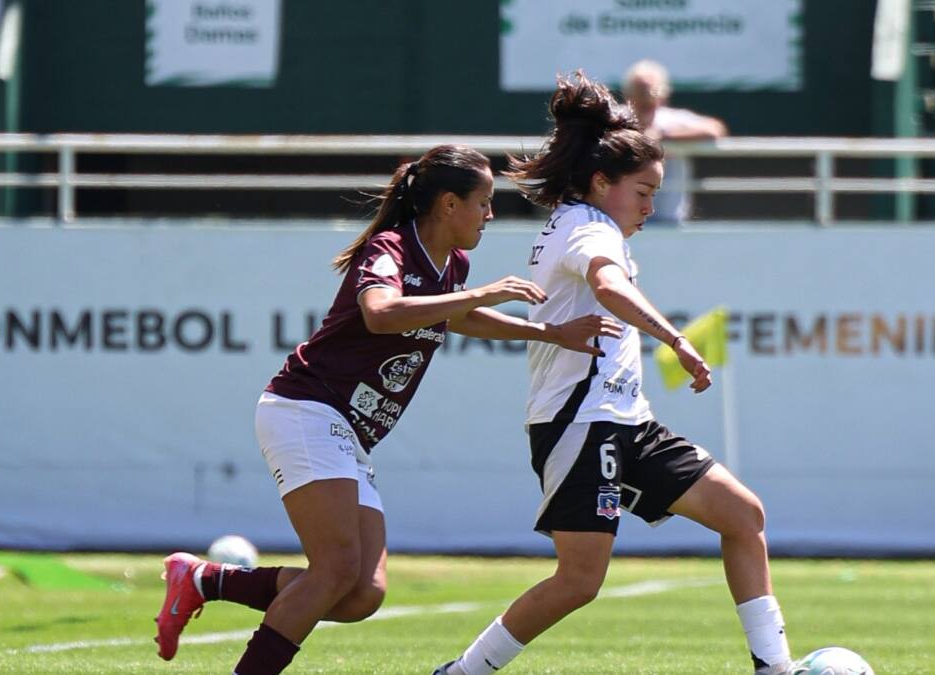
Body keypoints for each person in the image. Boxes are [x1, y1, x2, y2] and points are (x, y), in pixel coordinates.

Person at [151, 144, 623, 675]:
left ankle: (204, 580)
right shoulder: (391, 247)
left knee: (361, 593)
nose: (490, 215)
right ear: (448, 203)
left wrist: (548, 333)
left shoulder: (453, 262)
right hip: (306, 409)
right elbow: (381, 314)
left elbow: (455, 318)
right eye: (484, 202)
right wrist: (482, 294)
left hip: (345, 430)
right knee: (334, 571)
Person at [433, 72, 795, 675]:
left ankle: (775, 666)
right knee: (579, 579)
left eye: (657, 193)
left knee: (743, 516)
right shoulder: (587, 227)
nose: (651, 206)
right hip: (581, 423)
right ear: (602, 183)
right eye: (644, 191)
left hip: (626, 420)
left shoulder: (588, 223)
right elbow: (607, 284)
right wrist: (675, 338)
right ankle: (462, 673)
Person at [622, 58, 728, 224]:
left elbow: (715, 129)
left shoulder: (671, 120)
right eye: (639, 89)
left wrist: (664, 136)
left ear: (663, 92)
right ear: (628, 93)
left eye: (650, 88)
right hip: (623, 220)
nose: (645, 95)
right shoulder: (616, 119)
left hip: (669, 220)